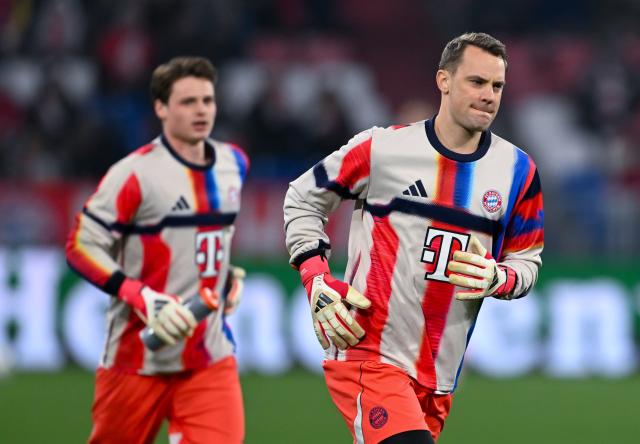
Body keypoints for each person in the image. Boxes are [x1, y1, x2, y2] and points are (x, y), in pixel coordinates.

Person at [284, 32, 543, 444]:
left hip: (439, 377)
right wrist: (316, 276)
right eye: (476, 82)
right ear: (444, 80)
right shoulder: (382, 148)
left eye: (497, 86)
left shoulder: (517, 172)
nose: (489, 96)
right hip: (368, 353)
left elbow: (527, 260)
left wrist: (499, 279)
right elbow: (302, 197)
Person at [66, 56, 249, 444]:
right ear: (161, 108)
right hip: (135, 360)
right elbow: (81, 244)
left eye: (207, 100)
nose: (201, 110)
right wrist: (141, 295)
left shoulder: (234, 163)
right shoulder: (133, 174)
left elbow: (209, 239)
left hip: (209, 360)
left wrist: (226, 275)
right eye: (188, 102)